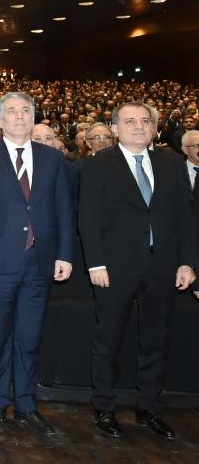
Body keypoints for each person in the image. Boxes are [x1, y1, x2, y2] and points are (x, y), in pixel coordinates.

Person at [79, 102, 198, 440]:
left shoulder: (172, 162)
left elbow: (184, 219)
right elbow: (89, 217)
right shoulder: (99, 164)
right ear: (115, 129)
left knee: (156, 343)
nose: (139, 126)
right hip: (115, 268)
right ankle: (104, 407)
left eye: (145, 121)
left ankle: (150, 408)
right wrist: (96, 263)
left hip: (162, 266)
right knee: (109, 341)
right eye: (130, 121)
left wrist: (188, 262)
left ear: (154, 128)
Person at [0, 92, 74, 435]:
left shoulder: (53, 159)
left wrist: (65, 254)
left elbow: (64, 212)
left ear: (34, 116)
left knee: (29, 336)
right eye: (12, 112)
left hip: (39, 262)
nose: (20, 116)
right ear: (0, 120)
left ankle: (26, 404)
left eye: (26, 111)